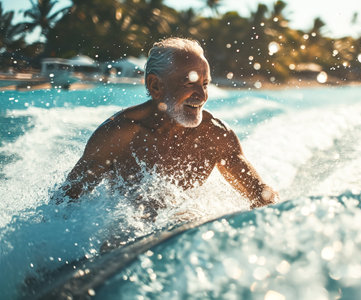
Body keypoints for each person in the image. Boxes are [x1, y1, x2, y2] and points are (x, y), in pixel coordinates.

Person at [63, 37, 277, 212]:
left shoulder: (215, 135)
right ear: (155, 85)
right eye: (189, 83)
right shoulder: (119, 134)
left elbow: (260, 194)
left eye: (205, 84)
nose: (201, 96)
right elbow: (63, 204)